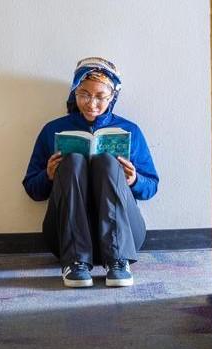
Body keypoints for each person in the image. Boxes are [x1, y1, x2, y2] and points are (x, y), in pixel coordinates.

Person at [22, 57, 159, 288]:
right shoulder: (53, 130)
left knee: (107, 162)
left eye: (100, 96)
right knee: (73, 161)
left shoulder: (129, 130)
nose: (91, 103)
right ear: (74, 92)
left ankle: (118, 261)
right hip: (65, 239)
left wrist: (134, 179)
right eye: (83, 94)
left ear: (112, 96)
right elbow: (32, 190)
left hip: (126, 239)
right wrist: (48, 175)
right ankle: (75, 261)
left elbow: (151, 187)